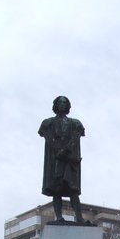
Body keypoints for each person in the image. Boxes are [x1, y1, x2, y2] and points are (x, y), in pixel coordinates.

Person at [38, 95, 88, 223]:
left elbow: (76, 138)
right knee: (56, 189)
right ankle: (59, 216)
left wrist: (65, 151)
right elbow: (48, 137)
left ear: (67, 106)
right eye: (59, 102)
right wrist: (57, 150)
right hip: (55, 159)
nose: (62, 104)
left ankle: (79, 217)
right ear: (55, 105)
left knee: (73, 189)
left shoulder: (75, 123)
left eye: (64, 102)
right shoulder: (47, 123)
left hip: (70, 158)